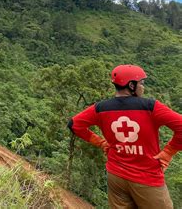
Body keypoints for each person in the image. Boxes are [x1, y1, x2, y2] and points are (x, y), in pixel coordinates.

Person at [68, 64, 181, 208]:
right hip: (147, 178)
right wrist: (168, 152)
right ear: (131, 85)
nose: (143, 87)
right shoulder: (150, 107)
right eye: (141, 83)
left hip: (116, 176)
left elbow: (74, 124)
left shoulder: (101, 108)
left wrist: (100, 142)